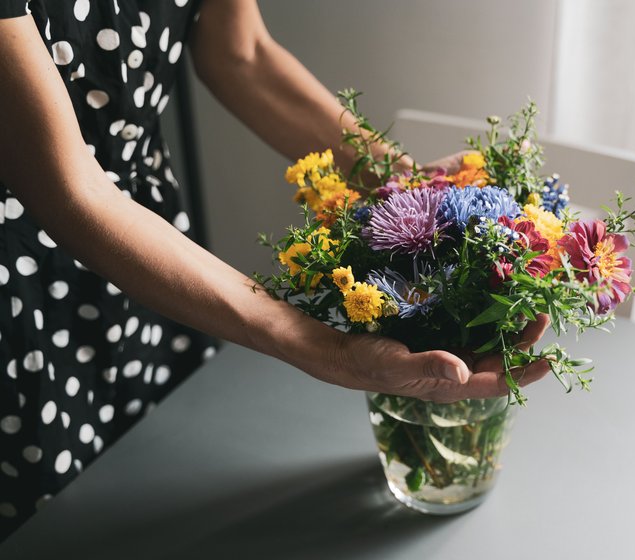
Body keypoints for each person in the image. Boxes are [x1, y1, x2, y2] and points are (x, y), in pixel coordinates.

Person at [0, 0, 550, 538]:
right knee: (50, 521)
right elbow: (73, 189)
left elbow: (243, 53)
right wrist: (329, 351)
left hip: (152, 243)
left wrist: (407, 193)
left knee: (151, 494)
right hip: (23, 282)